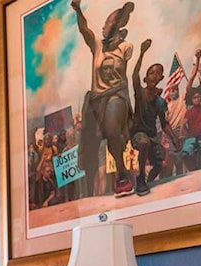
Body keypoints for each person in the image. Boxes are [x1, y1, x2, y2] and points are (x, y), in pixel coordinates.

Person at [71, 0, 136, 197]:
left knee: (111, 129)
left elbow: (121, 68)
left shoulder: (126, 47)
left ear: (116, 27)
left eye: (107, 24)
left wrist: (123, 15)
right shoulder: (97, 45)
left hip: (116, 94)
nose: (103, 27)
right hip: (96, 99)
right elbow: (84, 30)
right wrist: (78, 10)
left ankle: (122, 174)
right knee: (89, 145)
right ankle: (89, 190)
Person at [129, 39, 179, 196]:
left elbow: (164, 124)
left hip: (152, 135)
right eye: (150, 73)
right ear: (146, 78)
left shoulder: (160, 102)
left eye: (157, 74)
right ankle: (141, 180)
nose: (153, 76)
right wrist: (142, 52)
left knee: (159, 163)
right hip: (138, 134)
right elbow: (134, 75)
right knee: (143, 143)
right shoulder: (140, 94)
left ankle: (149, 181)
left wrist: (174, 138)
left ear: (161, 78)